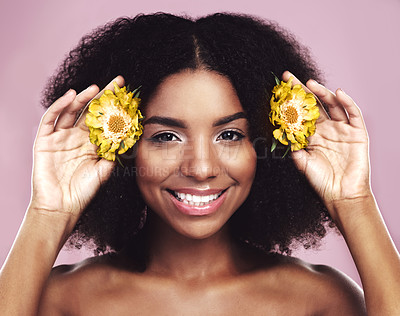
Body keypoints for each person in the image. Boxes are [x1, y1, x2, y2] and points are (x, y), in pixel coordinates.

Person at [1, 12, 399, 315]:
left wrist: (354, 201)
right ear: (121, 145)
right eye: (166, 136)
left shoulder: (321, 300)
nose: (201, 167)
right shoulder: (58, 299)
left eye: (229, 135)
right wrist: (48, 211)